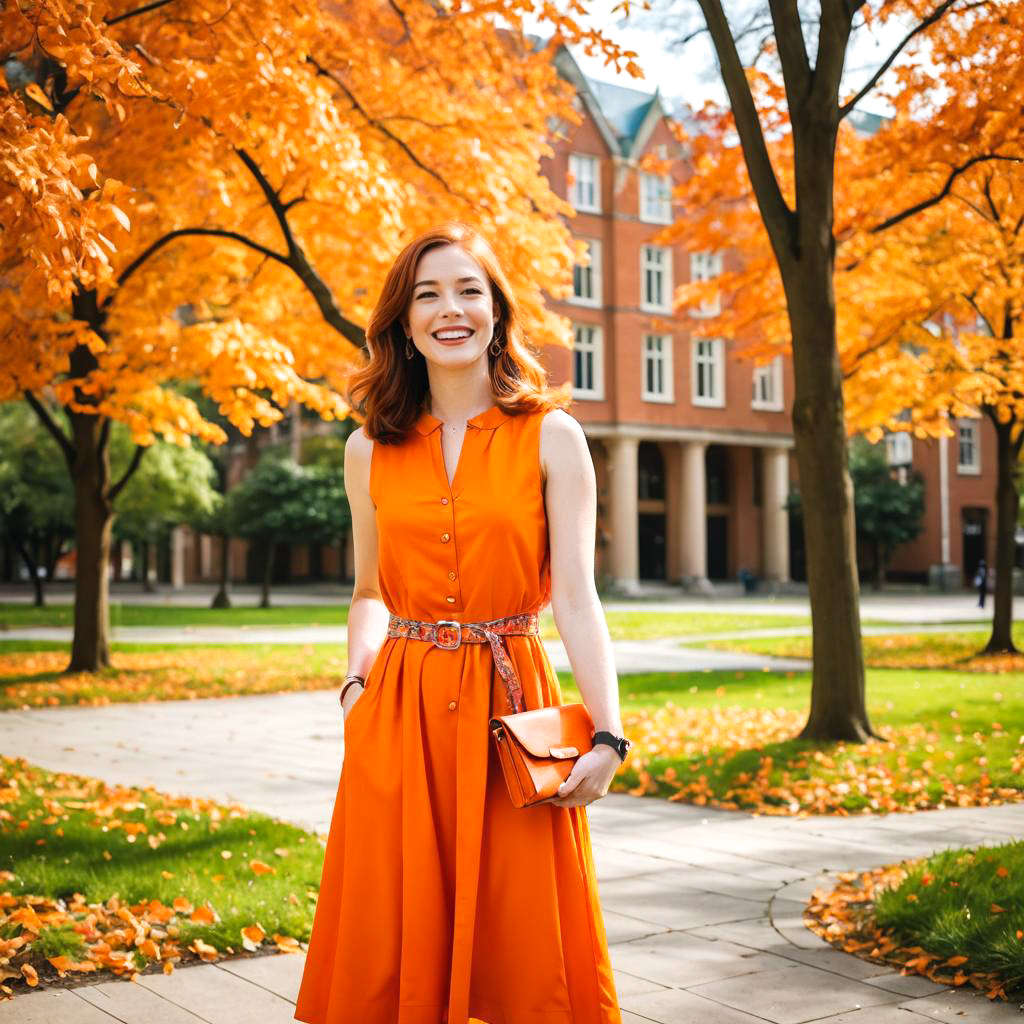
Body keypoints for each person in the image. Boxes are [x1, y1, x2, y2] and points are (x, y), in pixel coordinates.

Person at [294, 222, 629, 1024]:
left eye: (469, 290)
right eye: (427, 295)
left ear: (497, 312)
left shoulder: (553, 435)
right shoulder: (366, 451)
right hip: (397, 716)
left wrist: (609, 736)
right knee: (393, 933)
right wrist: (354, 688)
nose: (451, 309)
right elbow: (369, 591)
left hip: (513, 711)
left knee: (523, 946)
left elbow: (578, 595)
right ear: (403, 325)